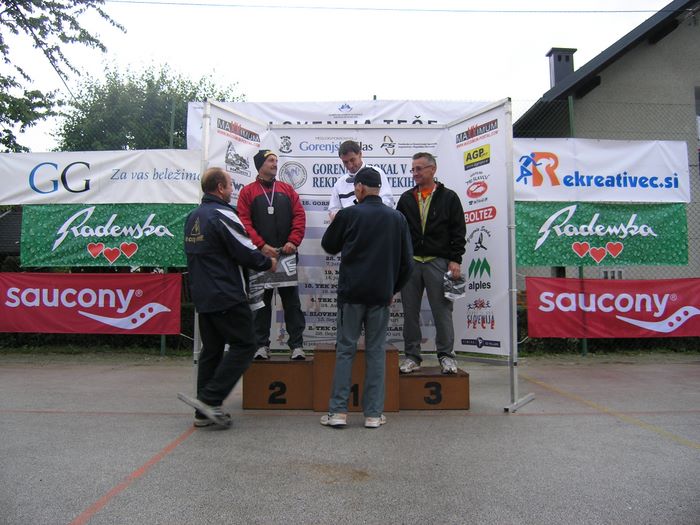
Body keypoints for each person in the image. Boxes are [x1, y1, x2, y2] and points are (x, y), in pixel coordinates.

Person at [179, 167, 277, 428]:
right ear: (220, 188)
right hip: (226, 293)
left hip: (202, 294)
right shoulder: (222, 214)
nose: (232, 190)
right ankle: (210, 400)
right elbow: (244, 250)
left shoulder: (193, 216)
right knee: (246, 345)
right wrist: (267, 262)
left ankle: (203, 414)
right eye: (231, 185)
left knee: (211, 350)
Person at [320, 167, 413, 428]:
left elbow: (328, 245)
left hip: (351, 293)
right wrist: (392, 289)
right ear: (379, 188)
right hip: (381, 295)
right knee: (376, 352)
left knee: (345, 351)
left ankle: (338, 413)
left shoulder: (348, 214)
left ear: (359, 188)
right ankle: (373, 414)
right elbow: (408, 263)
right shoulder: (397, 218)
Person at [396, 152, 466, 375]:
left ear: (432, 169)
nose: (415, 173)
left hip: (439, 262)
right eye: (413, 169)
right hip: (411, 263)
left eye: (419, 169)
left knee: (442, 311)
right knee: (410, 312)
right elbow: (398, 232)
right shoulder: (406, 198)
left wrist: (455, 259)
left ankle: (446, 356)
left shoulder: (449, 197)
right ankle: (412, 357)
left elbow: (458, 230)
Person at [237, 149, 307, 361]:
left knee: (292, 303)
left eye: (276, 160)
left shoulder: (287, 189)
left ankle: (297, 346)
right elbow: (244, 222)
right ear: (260, 165)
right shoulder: (247, 192)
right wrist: (261, 245)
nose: (275, 164)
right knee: (261, 303)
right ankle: (260, 345)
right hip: (261, 257)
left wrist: (293, 241)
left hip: (286, 254)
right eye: (270, 161)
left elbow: (299, 215)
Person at [328, 140, 394, 219]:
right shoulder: (339, 183)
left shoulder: (377, 173)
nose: (350, 165)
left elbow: (388, 201)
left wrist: (365, 212)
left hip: (375, 221)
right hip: (351, 224)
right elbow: (333, 210)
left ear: (360, 154)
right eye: (345, 162)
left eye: (352, 160)